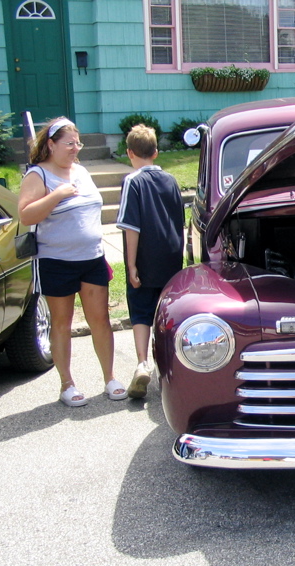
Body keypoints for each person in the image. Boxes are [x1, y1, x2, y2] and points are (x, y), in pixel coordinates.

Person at [19, 117, 127, 407]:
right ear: (51, 145)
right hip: (56, 261)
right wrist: (56, 195)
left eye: (77, 143)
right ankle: (67, 384)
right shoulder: (37, 175)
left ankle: (110, 378)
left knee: (100, 321)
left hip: (91, 258)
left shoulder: (80, 171)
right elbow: (26, 215)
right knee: (62, 324)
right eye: (69, 144)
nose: (75, 149)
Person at [116, 125, 185, 399]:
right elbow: (179, 221)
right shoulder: (171, 180)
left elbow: (131, 227)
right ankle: (168, 368)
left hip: (145, 257)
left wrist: (131, 265)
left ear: (129, 153)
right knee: (166, 314)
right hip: (170, 257)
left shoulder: (132, 182)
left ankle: (142, 363)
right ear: (156, 152)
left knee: (142, 311)